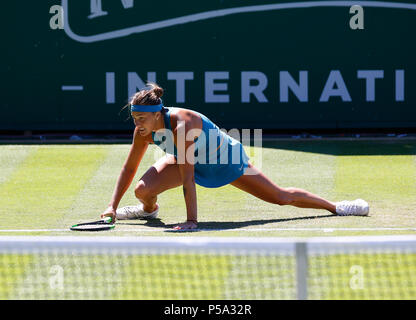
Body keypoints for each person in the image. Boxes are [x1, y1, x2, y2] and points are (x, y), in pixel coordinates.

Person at [101, 83, 369, 230]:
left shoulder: (182, 127)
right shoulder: (142, 131)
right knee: (142, 190)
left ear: (158, 113)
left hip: (224, 161)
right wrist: (112, 205)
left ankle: (337, 206)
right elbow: (129, 168)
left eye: (142, 118)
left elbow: (188, 179)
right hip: (186, 158)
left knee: (280, 197)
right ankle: (149, 211)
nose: (137, 123)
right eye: (134, 118)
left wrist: (192, 221)